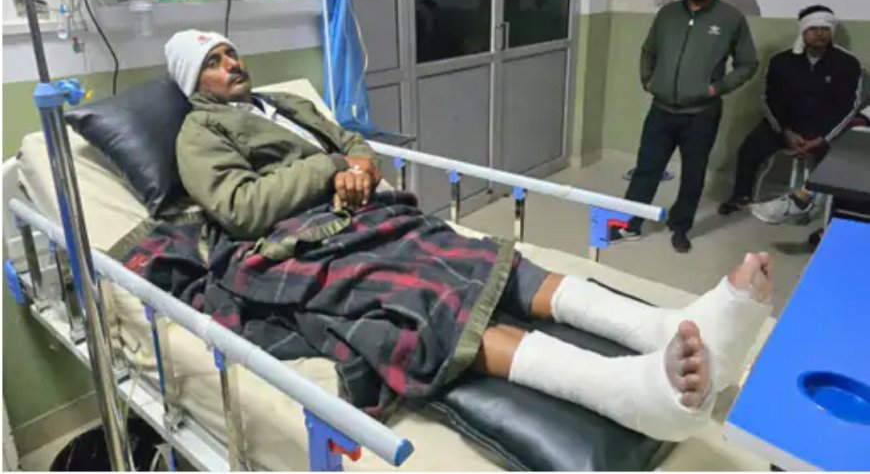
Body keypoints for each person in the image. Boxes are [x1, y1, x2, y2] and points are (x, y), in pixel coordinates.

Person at [162, 29, 773, 442]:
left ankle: (659, 326)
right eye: (214, 62)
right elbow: (240, 207)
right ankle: (624, 392)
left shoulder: (280, 103)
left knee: (483, 256)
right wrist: (331, 169)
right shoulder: (200, 133)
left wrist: (359, 163)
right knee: (425, 298)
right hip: (301, 240)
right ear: (194, 81)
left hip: (364, 212)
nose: (232, 64)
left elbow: (350, 140)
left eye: (231, 53)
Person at [616, 0, 758, 253]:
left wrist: (717, 88)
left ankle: (680, 227)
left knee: (693, 174)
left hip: (702, 114)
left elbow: (748, 64)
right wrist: (648, 80)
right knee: (646, 168)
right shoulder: (668, 14)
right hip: (661, 110)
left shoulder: (730, 19)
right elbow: (649, 50)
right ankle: (630, 223)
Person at [719, 6, 864, 223]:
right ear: (803, 31)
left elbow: (849, 106)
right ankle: (741, 196)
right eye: (813, 28)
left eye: (825, 28)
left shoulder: (847, 63)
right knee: (750, 148)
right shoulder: (781, 61)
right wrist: (785, 132)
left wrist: (822, 138)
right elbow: (769, 99)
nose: (820, 34)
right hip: (785, 126)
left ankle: (824, 210)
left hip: (825, 131)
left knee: (842, 161)